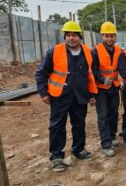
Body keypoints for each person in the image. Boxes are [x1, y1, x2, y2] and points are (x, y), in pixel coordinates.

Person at [35, 21, 97, 172]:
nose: (71, 38)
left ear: (80, 37)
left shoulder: (88, 52)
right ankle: (56, 156)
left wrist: (92, 94)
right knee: (57, 126)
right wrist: (43, 92)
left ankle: (78, 149)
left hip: (80, 96)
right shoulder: (54, 52)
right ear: (65, 37)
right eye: (68, 35)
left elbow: (90, 75)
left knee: (79, 124)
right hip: (60, 96)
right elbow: (41, 73)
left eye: (74, 35)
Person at [91, 21, 122, 157]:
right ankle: (106, 143)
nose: (109, 39)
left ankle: (112, 136)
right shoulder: (95, 51)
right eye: (106, 36)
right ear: (102, 36)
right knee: (103, 116)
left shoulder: (119, 50)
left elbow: (122, 68)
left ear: (115, 37)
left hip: (114, 87)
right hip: (101, 88)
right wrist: (103, 79)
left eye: (112, 36)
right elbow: (92, 70)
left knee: (113, 113)